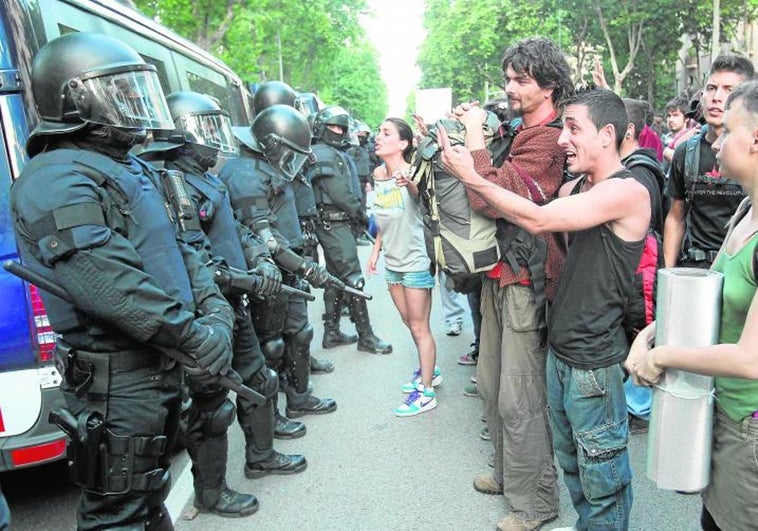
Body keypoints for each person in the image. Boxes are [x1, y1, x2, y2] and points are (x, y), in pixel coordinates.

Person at [10, 32, 242, 529]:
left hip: (158, 363)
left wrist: (216, 313)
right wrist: (196, 336)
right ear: (74, 100)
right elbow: (109, 284)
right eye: (119, 93)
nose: (134, 105)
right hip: (117, 380)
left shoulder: (130, 167)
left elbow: (184, 247)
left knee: (148, 495)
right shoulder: (55, 178)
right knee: (118, 512)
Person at [442, 88, 651, 531]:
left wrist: (473, 176)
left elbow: (537, 219)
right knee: (574, 469)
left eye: (573, 129)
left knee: (603, 481)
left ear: (608, 134)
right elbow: (532, 208)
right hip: (561, 351)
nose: (561, 140)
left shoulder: (628, 191)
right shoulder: (578, 186)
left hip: (594, 360)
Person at [140, 91, 308, 510]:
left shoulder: (207, 178)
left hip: (233, 301)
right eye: (205, 130)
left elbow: (238, 230)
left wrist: (262, 262)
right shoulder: (167, 182)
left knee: (260, 380)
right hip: (204, 310)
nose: (215, 140)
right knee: (212, 404)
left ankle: (262, 457)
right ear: (180, 134)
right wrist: (244, 280)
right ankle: (211, 493)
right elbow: (189, 254)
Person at [445, 37, 572, 531]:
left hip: (526, 280)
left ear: (550, 85)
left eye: (521, 79)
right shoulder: (521, 130)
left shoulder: (548, 138)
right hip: (501, 275)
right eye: (508, 79)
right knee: (491, 384)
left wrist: (474, 138)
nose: (510, 88)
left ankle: (536, 503)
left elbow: (491, 197)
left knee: (520, 396)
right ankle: (507, 475)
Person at [626, 80, 758, 531]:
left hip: (750, 428)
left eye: (729, 131)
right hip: (725, 413)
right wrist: (647, 336)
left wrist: (660, 355)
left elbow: (749, 358)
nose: (715, 142)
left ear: (756, 140)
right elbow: (712, 303)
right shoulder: (744, 213)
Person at [219, 104, 338, 418]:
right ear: (271, 143)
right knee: (270, 345)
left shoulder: (265, 166)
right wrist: (306, 268)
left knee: (299, 333)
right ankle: (269, 419)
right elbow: (264, 237)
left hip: (289, 263)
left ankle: (299, 398)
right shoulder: (244, 174)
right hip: (268, 270)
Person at [366, 117, 439, 416]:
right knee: (409, 322)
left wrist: (408, 181)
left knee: (420, 326)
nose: (377, 137)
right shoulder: (377, 173)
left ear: (404, 143)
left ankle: (427, 392)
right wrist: (375, 251)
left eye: (386, 133)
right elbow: (384, 215)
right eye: (378, 132)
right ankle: (429, 370)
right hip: (393, 262)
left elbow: (415, 195)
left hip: (415, 261)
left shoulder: (411, 172)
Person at [308, 106, 392, 354]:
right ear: (322, 128)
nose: (338, 131)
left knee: (335, 278)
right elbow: (339, 193)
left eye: (341, 127)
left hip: (335, 222)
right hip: (333, 222)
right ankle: (366, 336)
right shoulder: (324, 154)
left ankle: (331, 332)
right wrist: (362, 216)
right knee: (353, 277)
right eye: (333, 126)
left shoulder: (330, 152)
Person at [664, 55, 755, 269]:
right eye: (711, 88)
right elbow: (676, 216)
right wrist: (667, 274)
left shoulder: (753, 156)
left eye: (728, 90)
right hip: (695, 269)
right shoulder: (686, 152)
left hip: (743, 268)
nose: (716, 97)